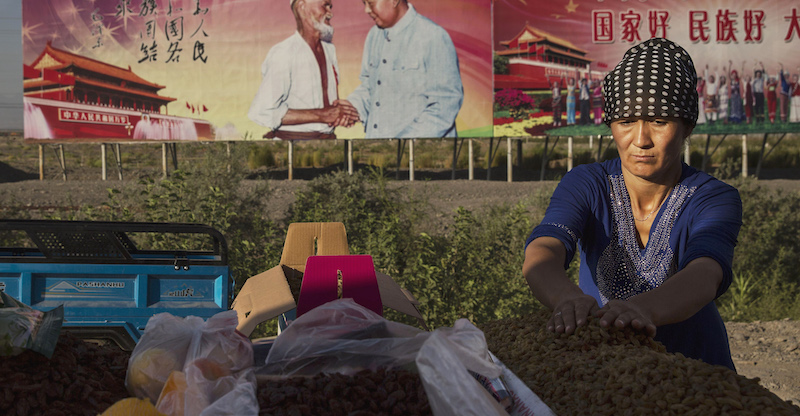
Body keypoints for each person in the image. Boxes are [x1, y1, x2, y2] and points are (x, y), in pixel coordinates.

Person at [522, 38, 742, 371]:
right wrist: (565, 298)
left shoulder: (713, 197)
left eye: (659, 121)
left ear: (687, 127)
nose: (640, 139)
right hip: (609, 369)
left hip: (697, 370)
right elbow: (545, 247)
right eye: (626, 122)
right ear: (611, 125)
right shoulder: (587, 183)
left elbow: (706, 271)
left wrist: (645, 309)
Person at [340, 0, 463, 138]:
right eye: (364, 3)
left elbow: (445, 104)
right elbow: (371, 87)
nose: (367, 10)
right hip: (379, 152)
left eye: (371, 3)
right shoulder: (374, 36)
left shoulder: (433, 36)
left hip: (421, 155)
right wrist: (350, 107)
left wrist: (401, 146)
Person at [247, 0, 358, 140]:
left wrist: (342, 114)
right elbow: (262, 111)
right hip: (292, 148)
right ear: (302, 6)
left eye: (331, 7)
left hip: (328, 145)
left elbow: (327, 108)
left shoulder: (329, 50)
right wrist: (323, 115)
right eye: (325, 5)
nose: (330, 13)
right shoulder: (284, 52)